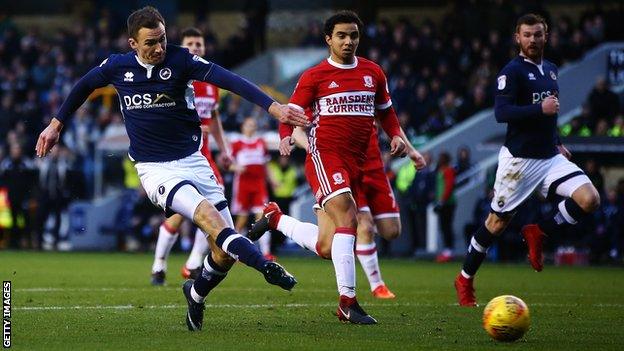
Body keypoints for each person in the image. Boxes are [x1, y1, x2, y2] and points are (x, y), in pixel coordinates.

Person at [35, 6, 308, 331]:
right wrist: (56, 124)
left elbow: (230, 79)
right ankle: (266, 268)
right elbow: (83, 85)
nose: (159, 48)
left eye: (163, 39)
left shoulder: (181, 60)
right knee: (209, 219)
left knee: (223, 253)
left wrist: (272, 106)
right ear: (133, 43)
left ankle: (195, 293)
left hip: (194, 161)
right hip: (156, 170)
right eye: (151, 43)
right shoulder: (117, 66)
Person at [249, 11, 412, 324]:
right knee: (349, 215)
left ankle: (275, 218)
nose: (348, 41)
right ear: (328, 39)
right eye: (341, 35)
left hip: (360, 160)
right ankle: (348, 302)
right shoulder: (315, 76)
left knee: (326, 245)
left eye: (353, 35)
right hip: (326, 154)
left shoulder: (373, 72)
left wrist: (395, 135)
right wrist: (286, 137)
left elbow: (386, 112)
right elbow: (291, 111)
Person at [454, 14, 601, 307]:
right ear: (517, 38)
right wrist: (539, 109)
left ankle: (539, 231)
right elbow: (502, 113)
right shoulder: (512, 71)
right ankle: (465, 278)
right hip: (519, 162)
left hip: (549, 157)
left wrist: (557, 141)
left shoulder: (551, 69)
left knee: (590, 198)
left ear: (546, 36)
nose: (533, 40)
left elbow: (552, 114)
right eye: (527, 35)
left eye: (538, 34)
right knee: (495, 224)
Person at [150, 27, 233, 286]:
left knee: (215, 208)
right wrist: (193, 126)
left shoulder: (211, 82)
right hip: (178, 154)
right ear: (182, 47)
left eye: (199, 43)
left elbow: (215, 118)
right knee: (177, 216)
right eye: (191, 43)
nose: (196, 47)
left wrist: (225, 149)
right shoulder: (175, 76)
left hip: (204, 155)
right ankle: (159, 265)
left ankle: (193, 264)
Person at [230, 116, 273, 259]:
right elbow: (226, 163)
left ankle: (266, 252)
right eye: (248, 125)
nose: (251, 127)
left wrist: (272, 180)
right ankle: (233, 251)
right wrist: (236, 167)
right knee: (241, 220)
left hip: (259, 184)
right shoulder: (237, 143)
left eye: (253, 125)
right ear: (243, 127)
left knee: (261, 218)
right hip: (243, 185)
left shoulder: (261, 143)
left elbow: (266, 165)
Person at [434, 152, 456, 263]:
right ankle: (447, 251)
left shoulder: (448, 170)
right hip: (443, 202)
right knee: (444, 227)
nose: (439, 159)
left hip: (448, 203)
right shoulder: (441, 169)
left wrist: (442, 201)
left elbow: (449, 186)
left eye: (441, 158)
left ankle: (449, 252)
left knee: (446, 227)